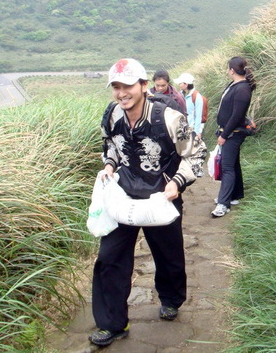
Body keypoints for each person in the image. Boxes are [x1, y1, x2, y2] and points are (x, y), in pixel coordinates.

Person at [89, 58, 207, 347]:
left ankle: (171, 299)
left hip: (161, 196)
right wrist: (109, 166)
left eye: (127, 86)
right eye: (116, 87)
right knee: (109, 258)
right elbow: (112, 147)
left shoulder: (169, 118)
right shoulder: (112, 115)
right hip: (124, 196)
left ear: (143, 85)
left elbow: (197, 153)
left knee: (168, 255)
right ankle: (113, 323)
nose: (121, 93)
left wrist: (176, 183)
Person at [211, 56, 256, 218]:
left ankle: (223, 204)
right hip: (229, 131)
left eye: (228, 68)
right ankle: (235, 195)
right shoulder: (235, 85)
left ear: (231, 70)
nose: (227, 71)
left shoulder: (242, 89)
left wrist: (224, 134)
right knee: (233, 163)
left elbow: (237, 116)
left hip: (233, 133)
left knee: (227, 167)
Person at [174, 72, 204, 140]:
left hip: (191, 130)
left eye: (180, 83)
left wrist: (196, 133)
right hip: (181, 130)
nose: (179, 84)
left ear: (186, 85)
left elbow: (198, 116)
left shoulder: (197, 97)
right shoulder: (179, 95)